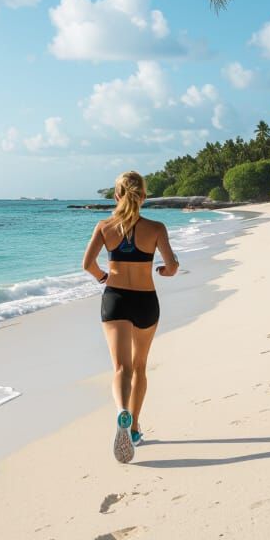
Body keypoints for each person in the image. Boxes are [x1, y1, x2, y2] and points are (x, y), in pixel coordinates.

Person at [82, 170, 179, 463]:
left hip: (115, 300)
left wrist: (103, 277)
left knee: (121, 368)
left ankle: (121, 410)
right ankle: (134, 428)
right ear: (144, 197)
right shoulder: (156, 227)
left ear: (116, 196)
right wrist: (163, 271)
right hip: (145, 301)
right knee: (139, 367)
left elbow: (88, 264)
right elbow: (171, 266)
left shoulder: (104, 227)